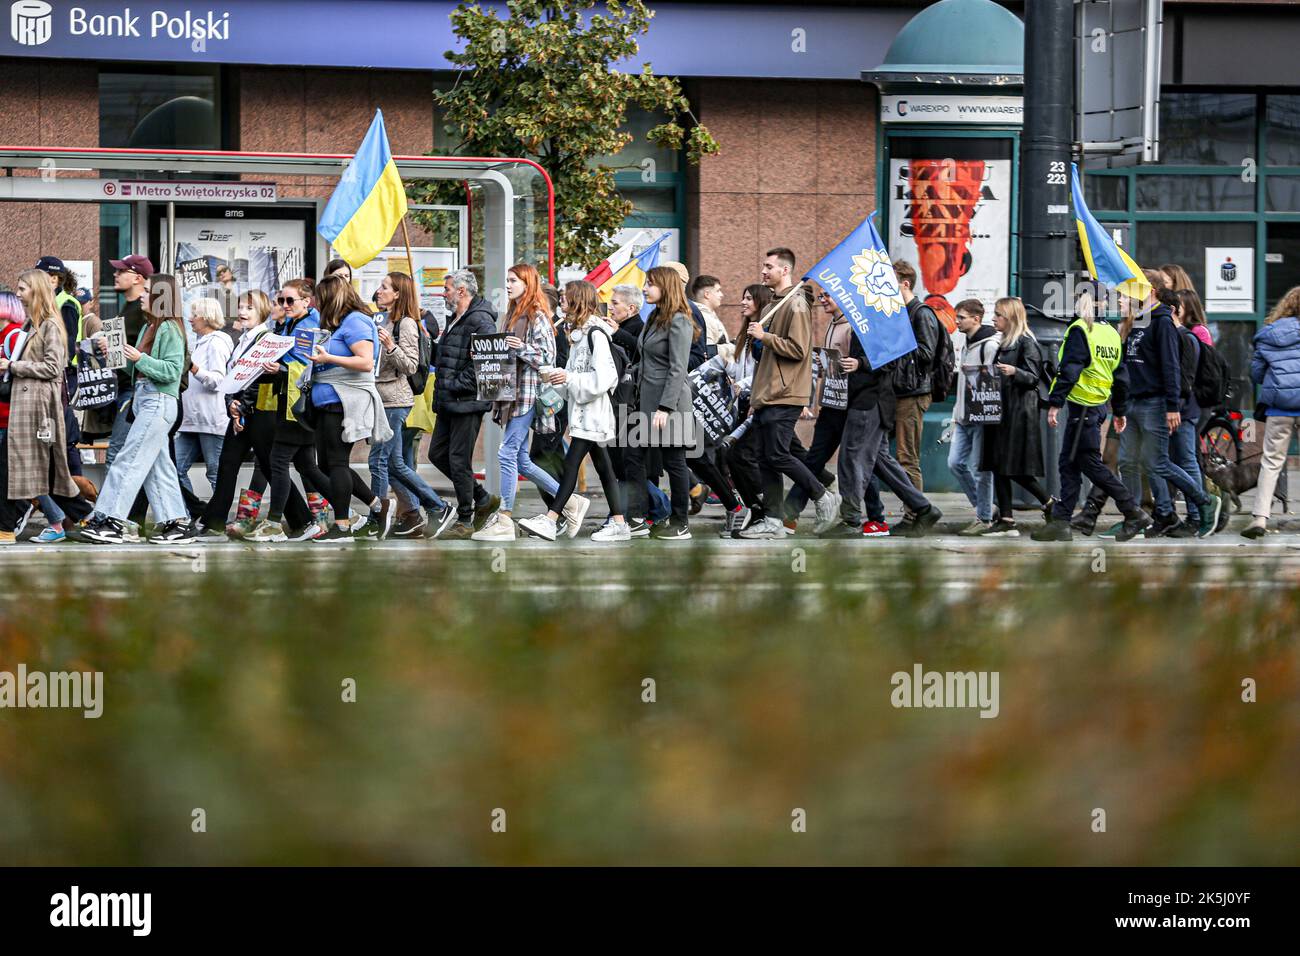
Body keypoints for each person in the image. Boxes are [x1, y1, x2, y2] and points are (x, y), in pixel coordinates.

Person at [1032, 287, 1154, 542]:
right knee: (1070, 463)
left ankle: (1133, 511)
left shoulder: (1080, 329)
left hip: (1082, 407)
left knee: (1089, 464)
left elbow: (1071, 369)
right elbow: (1120, 377)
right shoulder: (1110, 332)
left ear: (1081, 301)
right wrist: (1119, 411)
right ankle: (1063, 521)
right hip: (1097, 407)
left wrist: (1055, 402)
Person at [80, 274, 194, 544]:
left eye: (147, 291)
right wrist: (116, 352)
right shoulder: (149, 328)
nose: (142, 295)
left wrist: (139, 357)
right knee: (157, 467)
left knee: (128, 460)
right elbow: (136, 370)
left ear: (159, 296)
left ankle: (110, 520)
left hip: (158, 401)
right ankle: (176, 523)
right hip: (148, 400)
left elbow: (172, 371)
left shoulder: (169, 329)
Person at [737, 248, 840, 538]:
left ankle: (823, 496)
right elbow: (766, 362)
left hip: (786, 392)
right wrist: (757, 399)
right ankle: (773, 520)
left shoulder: (795, 304)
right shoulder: (775, 303)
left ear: (785, 270)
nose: (763, 271)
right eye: (763, 265)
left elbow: (798, 350)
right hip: (769, 394)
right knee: (764, 456)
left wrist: (764, 336)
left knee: (778, 454)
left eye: (769, 266)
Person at [195, 291, 314, 541]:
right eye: (240, 306)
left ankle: (302, 519)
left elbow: (258, 378)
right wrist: (232, 404)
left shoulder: (266, 338)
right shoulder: (241, 339)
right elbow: (233, 377)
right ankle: (214, 520)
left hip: (261, 412)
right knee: (229, 465)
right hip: (245, 411)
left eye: (249, 307)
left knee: (270, 468)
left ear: (260, 310)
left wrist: (241, 408)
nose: (242, 311)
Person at [519, 281, 630, 542]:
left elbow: (604, 379)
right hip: (584, 412)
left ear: (577, 301)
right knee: (603, 467)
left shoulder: (595, 335)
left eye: (565, 299)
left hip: (593, 413)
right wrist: (559, 380)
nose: (561, 303)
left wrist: (567, 377)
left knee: (571, 465)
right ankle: (619, 522)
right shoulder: (581, 334)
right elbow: (575, 376)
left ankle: (552, 518)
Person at [1115, 272, 1221, 538]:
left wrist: (1172, 406)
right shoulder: (1138, 323)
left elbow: (1171, 366)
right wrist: (1120, 407)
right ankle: (1135, 514)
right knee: (1127, 461)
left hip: (1154, 402)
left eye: (1126, 293)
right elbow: (1127, 370)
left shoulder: (1161, 322)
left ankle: (1205, 502)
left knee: (1158, 463)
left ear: (1148, 291)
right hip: (1132, 404)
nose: (1121, 299)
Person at [822, 311, 942, 538]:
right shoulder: (868, 319)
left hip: (870, 400)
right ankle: (923, 508)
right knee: (881, 461)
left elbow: (891, 359)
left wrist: (860, 363)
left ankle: (851, 520)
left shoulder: (877, 320)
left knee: (851, 458)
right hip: (869, 399)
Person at [474, 263, 562, 541]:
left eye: (513, 280)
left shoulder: (537, 315)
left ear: (527, 283)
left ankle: (504, 518)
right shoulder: (514, 314)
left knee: (506, 453)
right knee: (520, 459)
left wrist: (518, 347)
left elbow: (549, 358)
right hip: (511, 394)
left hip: (527, 395)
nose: (508, 284)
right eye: (507, 279)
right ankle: (568, 500)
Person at [0, 283, 93, 544]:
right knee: (31, 471)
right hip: (25, 407)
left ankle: (8, 528)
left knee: (43, 472)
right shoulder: (32, 325)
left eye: (22, 288)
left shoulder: (50, 325)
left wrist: (13, 366)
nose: (17, 294)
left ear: (36, 290)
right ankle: (81, 516)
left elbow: (54, 367)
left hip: (38, 410)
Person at [306, 273, 394, 542]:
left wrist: (328, 356)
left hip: (343, 402)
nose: (315, 305)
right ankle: (378, 506)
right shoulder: (337, 324)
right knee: (328, 464)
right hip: (327, 401)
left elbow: (366, 361)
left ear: (333, 299)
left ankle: (342, 525)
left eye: (319, 300)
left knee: (337, 463)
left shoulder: (355, 321)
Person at [246, 278, 333, 543]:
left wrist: (280, 369)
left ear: (306, 301)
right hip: (287, 402)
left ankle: (273, 524)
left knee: (278, 461)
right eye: (280, 300)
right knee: (308, 467)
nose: (283, 305)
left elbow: (307, 367)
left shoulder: (309, 327)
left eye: (289, 300)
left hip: (298, 404)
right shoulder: (289, 323)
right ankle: (354, 511)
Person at [369, 272, 449, 539]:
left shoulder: (406, 324)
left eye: (384, 287)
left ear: (398, 294)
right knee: (394, 464)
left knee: (378, 461)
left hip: (395, 399)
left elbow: (410, 365)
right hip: (381, 397)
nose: (378, 291)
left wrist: (390, 346)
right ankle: (433, 506)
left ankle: (377, 518)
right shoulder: (381, 320)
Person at [624, 265, 700, 539]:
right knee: (632, 457)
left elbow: (678, 368)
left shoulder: (679, 319)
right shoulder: (655, 317)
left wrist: (665, 408)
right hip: (646, 403)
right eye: (646, 283)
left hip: (670, 405)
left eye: (651, 284)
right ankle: (639, 518)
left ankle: (680, 523)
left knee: (675, 463)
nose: (645, 288)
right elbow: (647, 360)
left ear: (665, 287)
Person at [429, 269, 500, 539]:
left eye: (447, 288)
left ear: (461, 291)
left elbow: (486, 365)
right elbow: (448, 357)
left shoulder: (481, 320)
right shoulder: (455, 319)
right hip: (449, 401)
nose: (443, 293)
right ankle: (481, 498)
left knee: (459, 459)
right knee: (438, 454)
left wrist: (454, 384)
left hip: (466, 402)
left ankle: (465, 519)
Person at [977, 297, 1051, 537]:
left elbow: (1033, 376)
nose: (994, 319)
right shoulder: (1004, 341)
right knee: (999, 465)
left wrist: (1014, 371)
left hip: (1019, 412)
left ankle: (1050, 503)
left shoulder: (1026, 342)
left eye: (998, 315)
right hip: (1002, 409)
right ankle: (1007, 519)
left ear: (1010, 317)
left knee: (1014, 467)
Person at [782, 287, 852, 527]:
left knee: (860, 462)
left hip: (849, 406)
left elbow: (858, 366)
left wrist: (853, 364)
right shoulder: (833, 323)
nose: (823, 300)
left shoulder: (851, 326)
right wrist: (825, 365)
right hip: (831, 403)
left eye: (828, 296)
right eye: (821, 296)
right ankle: (789, 513)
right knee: (813, 459)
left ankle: (868, 515)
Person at [1243, 286, 1300, 539]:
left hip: (1279, 408)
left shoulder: (1269, 334)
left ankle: (1260, 518)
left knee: (1271, 462)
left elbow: (1255, 374)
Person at [888, 259, 942, 514]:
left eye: (891, 284)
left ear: (905, 284)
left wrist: (898, 341)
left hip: (914, 392)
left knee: (907, 455)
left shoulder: (921, 313)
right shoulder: (903, 314)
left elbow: (926, 354)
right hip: (900, 391)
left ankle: (916, 513)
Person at [950, 299, 1000, 534]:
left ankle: (984, 517)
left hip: (981, 418)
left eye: (961, 317)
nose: (957, 321)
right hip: (962, 416)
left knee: (981, 469)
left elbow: (990, 385)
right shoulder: (966, 342)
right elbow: (962, 382)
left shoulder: (989, 345)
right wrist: (955, 413)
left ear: (976, 319)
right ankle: (986, 506)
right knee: (955, 463)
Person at [174, 297, 232, 495]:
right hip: (191, 420)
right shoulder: (198, 343)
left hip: (210, 420)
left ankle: (218, 520)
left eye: (195, 315)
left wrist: (193, 367)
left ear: (207, 318)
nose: (191, 319)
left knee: (215, 473)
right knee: (175, 469)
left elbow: (218, 381)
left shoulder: (217, 343)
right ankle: (192, 514)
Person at [105, 254, 155, 467]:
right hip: (123, 387)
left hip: (135, 390)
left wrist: (113, 348)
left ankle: (111, 502)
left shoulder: (144, 310)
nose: (115, 274)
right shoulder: (127, 307)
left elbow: (150, 352)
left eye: (122, 271)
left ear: (138, 278)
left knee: (116, 455)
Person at [34, 256, 82, 372]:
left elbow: (69, 341)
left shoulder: (67, 304)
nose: (34, 280)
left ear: (54, 279)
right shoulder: (46, 301)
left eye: (39, 276)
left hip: (63, 371)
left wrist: (57, 370)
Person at [689, 274, 732, 361]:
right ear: (707, 294)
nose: (721, 295)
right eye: (718, 291)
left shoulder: (707, 315)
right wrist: (732, 347)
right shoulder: (704, 317)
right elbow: (708, 352)